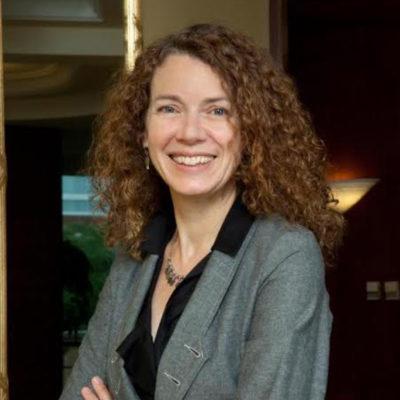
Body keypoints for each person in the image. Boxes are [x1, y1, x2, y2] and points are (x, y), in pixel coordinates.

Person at [60, 24, 344, 400]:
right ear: (142, 132)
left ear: (250, 132)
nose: (190, 132)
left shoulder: (284, 255)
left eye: (217, 110)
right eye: (169, 108)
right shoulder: (134, 256)